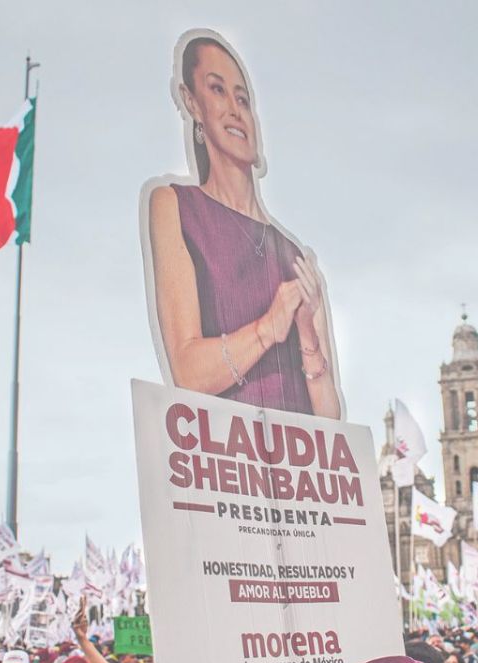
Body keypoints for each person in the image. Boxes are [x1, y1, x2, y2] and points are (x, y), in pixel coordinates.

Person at [146, 31, 341, 419]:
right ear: (191, 103)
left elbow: (331, 417)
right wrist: (270, 326)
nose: (235, 109)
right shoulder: (174, 206)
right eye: (217, 90)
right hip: (227, 467)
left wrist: (307, 334)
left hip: (296, 473)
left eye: (243, 99)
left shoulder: (295, 256)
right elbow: (187, 372)